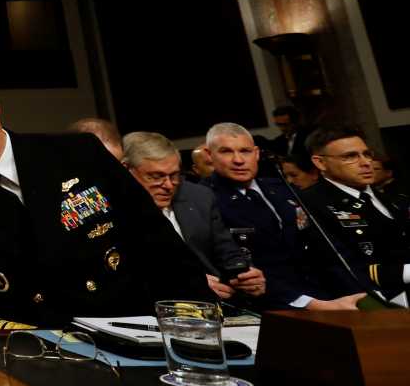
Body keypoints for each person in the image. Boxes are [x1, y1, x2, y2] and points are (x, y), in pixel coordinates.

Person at [0, 60, 210, 329]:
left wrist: (200, 332)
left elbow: (164, 251)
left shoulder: (78, 155)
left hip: (128, 335)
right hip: (24, 354)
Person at [206, 122, 361, 310]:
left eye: (245, 151)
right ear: (209, 156)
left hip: (325, 295)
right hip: (267, 306)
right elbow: (241, 271)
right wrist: (311, 304)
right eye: (226, 152)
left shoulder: (281, 188)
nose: (238, 160)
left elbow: (319, 246)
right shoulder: (204, 199)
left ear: (256, 153)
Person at [121, 131, 263, 301]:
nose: (168, 185)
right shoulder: (113, 210)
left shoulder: (199, 196)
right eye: (156, 177)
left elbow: (226, 250)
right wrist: (188, 283)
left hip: (218, 303)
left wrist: (245, 274)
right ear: (126, 170)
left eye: (174, 176)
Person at [301, 124, 407, 306]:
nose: (366, 163)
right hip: (367, 302)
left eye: (367, 154)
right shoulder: (310, 203)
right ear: (320, 162)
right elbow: (338, 268)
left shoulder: (394, 198)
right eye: (350, 156)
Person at [264, 104, 312, 168]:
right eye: (279, 125)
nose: (282, 128)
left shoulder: (309, 136)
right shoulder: (279, 140)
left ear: (295, 122)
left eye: (285, 124)